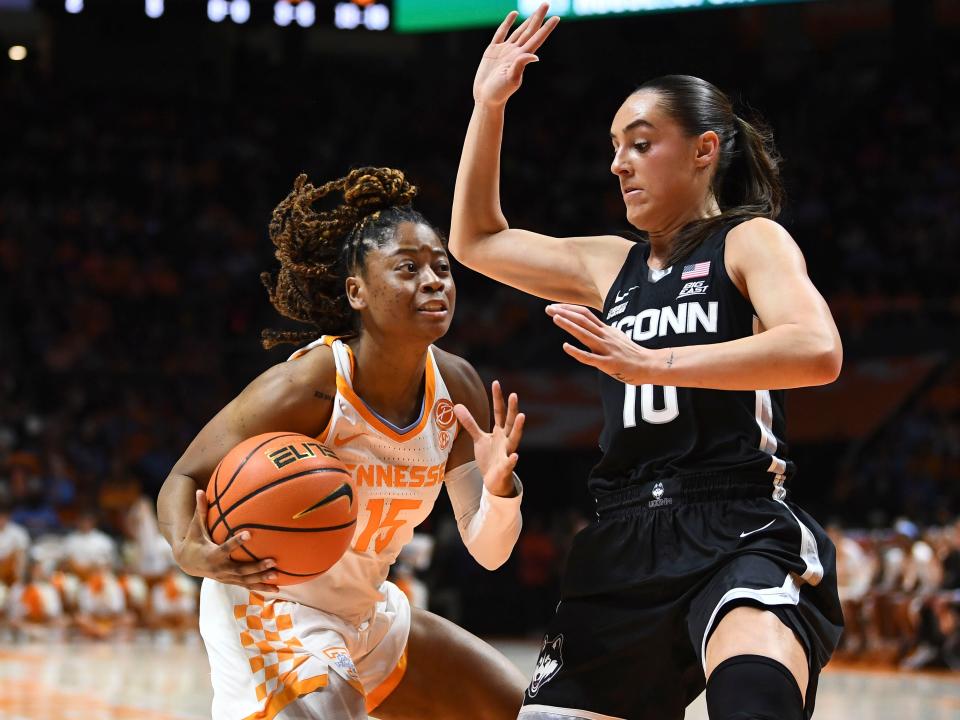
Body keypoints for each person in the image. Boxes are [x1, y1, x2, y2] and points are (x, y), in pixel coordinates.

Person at [449, 5, 844, 719]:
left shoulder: (749, 242)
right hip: (623, 537)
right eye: (613, 147)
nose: (617, 163)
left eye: (639, 143)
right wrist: (488, 105)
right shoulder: (610, 263)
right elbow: (475, 240)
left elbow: (817, 351)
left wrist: (656, 363)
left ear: (703, 149)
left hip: (737, 521)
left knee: (753, 695)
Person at [157, 167, 529, 720]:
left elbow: (491, 554)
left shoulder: (459, 388)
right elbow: (183, 479)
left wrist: (501, 491)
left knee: (518, 710)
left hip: (364, 608)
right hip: (270, 602)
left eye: (441, 268)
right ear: (356, 291)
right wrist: (190, 552)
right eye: (408, 268)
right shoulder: (308, 385)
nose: (433, 281)